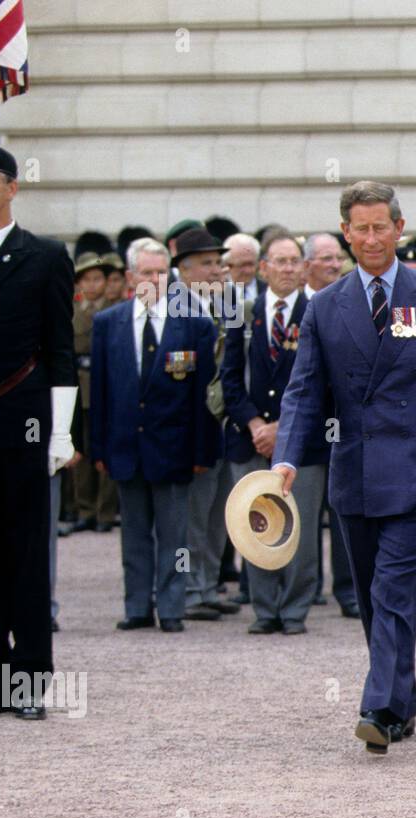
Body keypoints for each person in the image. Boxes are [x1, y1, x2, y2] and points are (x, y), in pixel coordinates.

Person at [272, 180, 416, 755]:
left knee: (392, 591)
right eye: (359, 228)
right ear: (345, 232)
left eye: (379, 227)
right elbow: (304, 393)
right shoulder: (324, 306)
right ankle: (403, 698)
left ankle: (378, 707)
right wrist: (286, 458)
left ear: (398, 228)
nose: (370, 237)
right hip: (354, 475)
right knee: (370, 597)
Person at [0, 146, 77, 720]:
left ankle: (28, 681)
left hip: (23, 421)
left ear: (13, 187)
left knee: (24, 554)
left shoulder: (43, 256)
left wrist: (61, 433)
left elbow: (61, 350)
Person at [91, 238, 218, 635]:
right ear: (131, 277)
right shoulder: (108, 322)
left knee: (175, 537)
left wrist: (202, 449)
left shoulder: (195, 325)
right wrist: (99, 446)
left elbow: (203, 397)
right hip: (126, 445)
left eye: (161, 273)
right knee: (133, 534)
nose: (154, 280)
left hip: (175, 448)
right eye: (146, 272)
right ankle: (137, 606)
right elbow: (100, 392)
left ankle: (172, 605)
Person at [222, 233, 328, 635]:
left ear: (304, 268)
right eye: (278, 262)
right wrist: (255, 424)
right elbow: (229, 378)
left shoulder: (318, 312)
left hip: (304, 443)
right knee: (257, 525)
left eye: (293, 262)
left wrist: (284, 427)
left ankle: (296, 609)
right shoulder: (243, 314)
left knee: (298, 526)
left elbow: (324, 382)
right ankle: (264, 609)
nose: (286, 269)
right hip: (249, 438)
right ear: (263, 268)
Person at [173, 228, 238, 623]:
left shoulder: (227, 304)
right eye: (208, 264)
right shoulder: (175, 308)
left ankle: (209, 583)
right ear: (184, 270)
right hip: (193, 423)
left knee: (220, 512)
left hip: (226, 421)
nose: (217, 271)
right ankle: (190, 587)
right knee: (193, 515)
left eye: (219, 263)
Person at [302, 232, 358, 618]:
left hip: (344, 426)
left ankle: (348, 590)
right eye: (324, 258)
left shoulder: (351, 301)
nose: (333, 264)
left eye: (337, 257)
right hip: (306, 428)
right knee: (302, 517)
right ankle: (302, 592)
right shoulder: (299, 308)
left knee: (343, 515)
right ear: (308, 265)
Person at [70, 252, 118, 533]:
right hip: (79, 386)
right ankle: (84, 509)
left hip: (107, 385)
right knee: (80, 452)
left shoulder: (115, 309)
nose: (92, 284)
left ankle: (105, 512)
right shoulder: (72, 310)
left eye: (97, 278)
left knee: (106, 451)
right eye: (85, 279)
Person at [222, 233, 264, 303]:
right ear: (227, 264)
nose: (248, 271)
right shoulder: (216, 294)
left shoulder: (270, 291)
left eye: (251, 264)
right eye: (242, 265)